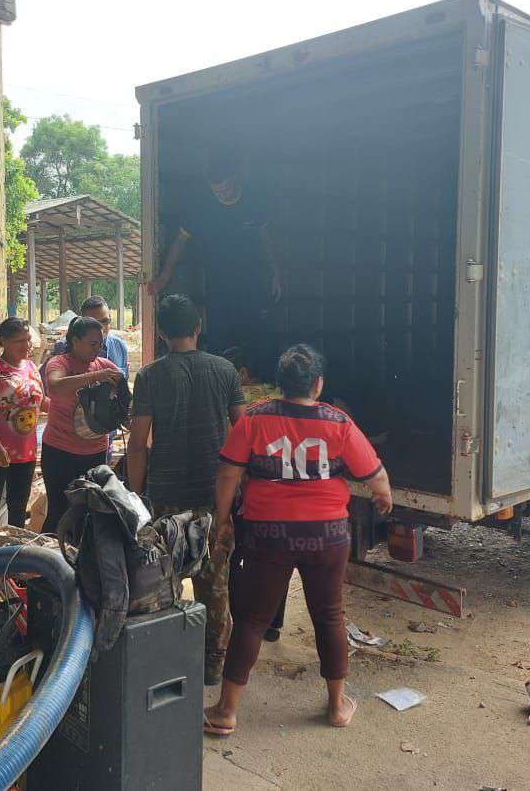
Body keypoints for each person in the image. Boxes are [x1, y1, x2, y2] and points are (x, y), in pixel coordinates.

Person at [204, 344, 393, 735]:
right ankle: (337, 707)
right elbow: (375, 475)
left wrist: (223, 521)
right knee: (329, 615)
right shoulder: (338, 422)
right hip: (327, 535)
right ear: (318, 385)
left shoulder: (254, 420)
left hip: (267, 533)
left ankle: (226, 711)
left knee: (253, 620)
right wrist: (383, 496)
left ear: (279, 384)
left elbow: (227, 475)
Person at [127, 294, 246, 684]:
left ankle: (171, 663)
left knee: (165, 581)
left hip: (166, 495)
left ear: (161, 332)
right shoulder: (225, 371)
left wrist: (135, 497)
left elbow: (138, 444)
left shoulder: (149, 377)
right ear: (198, 327)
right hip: (214, 496)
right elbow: (243, 434)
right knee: (215, 584)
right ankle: (213, 666)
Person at [146, 146, 281, 380]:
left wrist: (276, 271)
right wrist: (165, 275)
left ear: (235, 179)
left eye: (226, 189)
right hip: (219, 286)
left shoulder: (253, 202)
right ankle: (221, 390)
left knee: (258, 340)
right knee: (221, 342)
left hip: (253, 283)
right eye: (216, 192)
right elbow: (180, 242)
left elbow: (266, 239)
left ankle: (259, 389)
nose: (222, 195)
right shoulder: (202, 207)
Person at [221, 347, 287, 643]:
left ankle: (241, 618)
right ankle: (272, 623)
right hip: (278, 490)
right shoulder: (279, 398)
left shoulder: (237, 404)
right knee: (275, 559)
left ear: (242, 373)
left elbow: (230, 455)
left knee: (235, 557)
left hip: (247, 488)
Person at [40, 316, 124, 534]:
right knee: (59, 511)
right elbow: (55, 387)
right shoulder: (59, 363)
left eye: (100, 343)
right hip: (59, 452)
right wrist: (97, 375)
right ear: (75, 341)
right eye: (93, 343)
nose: (98, 349)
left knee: (89, 512)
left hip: (95, 453)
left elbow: (126, 403)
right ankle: (47, 561)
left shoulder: (106, 366)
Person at [0, 317, 45, 533]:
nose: (27, 346)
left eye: (28, 340)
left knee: (19, 507)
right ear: (3, 342)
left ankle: (14, 554)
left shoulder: (31, 367)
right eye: (19, 341)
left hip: (26, 450)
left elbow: (41, 402)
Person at [48, 295, 129, 378]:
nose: (101, 328)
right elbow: (52, 385)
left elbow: (123, 381)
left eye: (105, 321)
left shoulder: (119, 346)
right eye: (94, 324)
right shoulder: (63, 347)